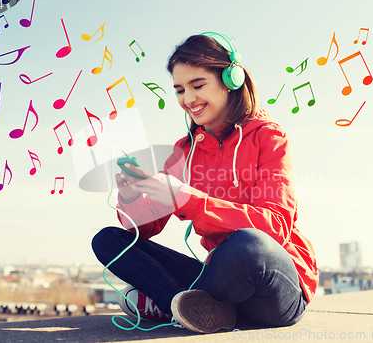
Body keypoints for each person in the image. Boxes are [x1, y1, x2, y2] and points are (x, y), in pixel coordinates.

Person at [92, 32, 319, 334]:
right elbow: (142, 232)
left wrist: (186, 198)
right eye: (179, 90)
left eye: (198, 85)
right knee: (108, 240)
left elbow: (275, 226)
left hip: (273, 283)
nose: (188, 99)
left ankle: (168, 304)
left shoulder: (268, 136)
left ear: (231, 80)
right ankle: (187, 306)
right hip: (220, 282)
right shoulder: (184, 153)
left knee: (248, 244)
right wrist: (133, 196)